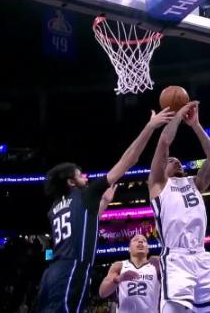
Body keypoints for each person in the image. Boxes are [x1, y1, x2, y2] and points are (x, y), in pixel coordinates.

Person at [36, 108, 174, 313]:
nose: (86, 178)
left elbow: (83, 226)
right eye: (81, 175)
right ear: (71, 182)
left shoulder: (55, 207)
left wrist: (104, 204)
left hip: (51, 274)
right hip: (72, 270)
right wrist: (150, 126)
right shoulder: (85, 194)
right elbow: (128, 160)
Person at [148, 101, 210, 313]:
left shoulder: (196, 183)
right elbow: (165, 142)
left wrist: (195, 125)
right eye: (171, 161)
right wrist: (177, 116)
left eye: (178, 160)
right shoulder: (158, 186)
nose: (177, 162)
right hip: (176, 257)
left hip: (201, 255)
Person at [99, 234, 161, 312]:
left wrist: (163, 264)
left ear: (148, 249)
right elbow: (102, 293)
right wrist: (119, 279)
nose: (140, 242)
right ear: (129, 249)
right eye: (136, 240)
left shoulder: (157, 266)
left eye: (144, 241)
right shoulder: (119, 266)